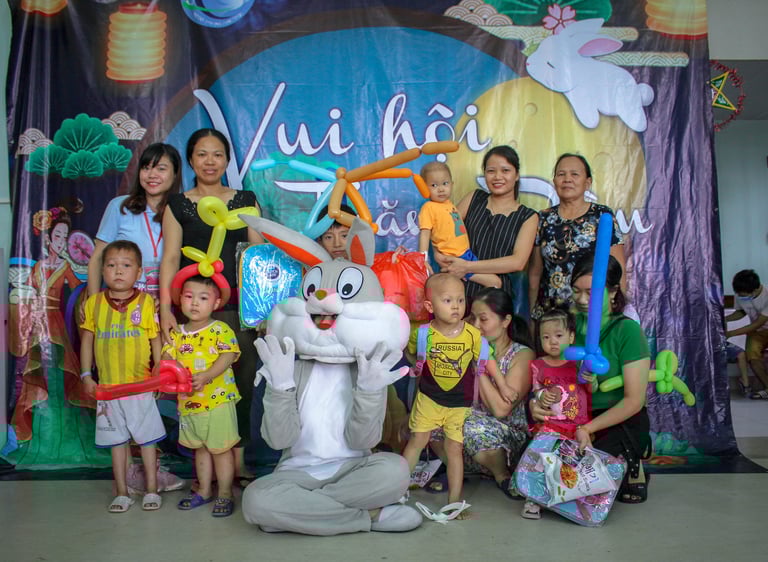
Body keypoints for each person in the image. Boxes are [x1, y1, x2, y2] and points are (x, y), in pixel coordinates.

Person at [159, 128, 261, 484]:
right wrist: (166, 308)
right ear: (190, 160)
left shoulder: (245, 200)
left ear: (227, 160)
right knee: (196, 385)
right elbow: (170, 258)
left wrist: (261, 311)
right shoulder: (178, 206)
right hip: (192, 313)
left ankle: (238, 462)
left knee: (241, 384)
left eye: (217, 154)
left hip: (238, 310)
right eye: (202, 154)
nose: (209, 161)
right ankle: (205, 465)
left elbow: (257, 257)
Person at [530, 253, 651, 504]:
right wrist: (537, 403)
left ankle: (632, 465)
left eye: (591, 293)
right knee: (539, 468)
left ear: (614, 291)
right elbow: (548, 374)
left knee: (583, 476)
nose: (582, 300)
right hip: (569, 415)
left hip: (614, 418)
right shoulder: (566, 326)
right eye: (576, 291)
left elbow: (633, 401)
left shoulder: (628, 330)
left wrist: (588, 429)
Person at [402, 274, 516, 513]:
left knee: (454, 449)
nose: (456, 306)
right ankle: (394, 490)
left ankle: (454, 503)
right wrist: (417, 368)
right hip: (428, 399)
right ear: (430, 306)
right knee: (417, 441)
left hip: (459, 403)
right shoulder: (422, 334)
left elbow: (488, 361)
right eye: (447, 300)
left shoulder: (473, 335)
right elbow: (411, 354)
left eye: (460, 300)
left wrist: (503, 386)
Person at [8, 207, 99, 467]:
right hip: (37, 325)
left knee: (61, 374)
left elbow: (81, 288)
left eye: (65, 237)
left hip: (56, 326)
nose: (61, 241)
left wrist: (87, 305)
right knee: (41, 376)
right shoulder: (37, 266)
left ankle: (65, 431)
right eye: (57, 236)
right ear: (48, 239)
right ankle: (43, 433)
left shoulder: (66, 266)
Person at [80, 241, 165, 513]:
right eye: (111, 265)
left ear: (139, 271)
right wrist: (85, 374)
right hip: (108, 389)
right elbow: (87, 341)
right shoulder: (94, 304)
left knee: (147, 441)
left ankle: (152, 489)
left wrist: (159, 371)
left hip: (140, 386)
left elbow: (155, 339)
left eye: (126, 266)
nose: (118, 271)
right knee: (116, 443)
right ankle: (122, 492)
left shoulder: (146, 302)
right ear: (102, 270)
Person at [429, 287, 534, 499]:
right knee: (429, 421)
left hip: (503, 440)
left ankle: (502, 475)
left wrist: (478, 362)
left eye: (483, 319)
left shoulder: (521, 354)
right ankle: (457, 470)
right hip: (465, 438)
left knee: (469, 425)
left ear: (505, 321)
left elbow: (501, 410)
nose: (476, 326)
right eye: (473, 318)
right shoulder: (462, 347)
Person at [162, 276, 241, 517]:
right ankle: (204, 490)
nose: (195, 303)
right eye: (189, 296)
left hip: (217, 401)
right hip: (189, 404)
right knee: (201, 449)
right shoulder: (176, 333)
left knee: (221, 449)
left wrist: (207, 375)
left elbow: (228, 355)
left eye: (203, 298)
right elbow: (167, 359)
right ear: (180, 300)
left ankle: (225, 493)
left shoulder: (219, 329)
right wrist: (174, 369)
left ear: (216, 303)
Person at [435, 146, 538, 317]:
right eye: (491, 171)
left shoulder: (528, 216)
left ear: (517, 174)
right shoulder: (474, 198)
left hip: (496, 299)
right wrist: (443, 259)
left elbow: (517, 262)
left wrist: (467, 268)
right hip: (457, 292)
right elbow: (444, 232)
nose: (498, 177)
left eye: (505, 170)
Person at [528, 153, 625, 319]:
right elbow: (535, 274)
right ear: (554, 181)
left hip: (592, 313)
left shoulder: (602, 216)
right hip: (552, 316)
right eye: (561, 174)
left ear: (588, 182)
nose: (567, 179)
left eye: (574, 174)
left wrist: (614, 312)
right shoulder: (543, 218)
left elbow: (618, 269)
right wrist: (532, 313)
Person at [522, 307, 596, 520]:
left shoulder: (580, 363)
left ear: (571, 336)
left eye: (559, 335)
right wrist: (540, 397)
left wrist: (592, 381)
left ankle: (575, 501)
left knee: (576, 466)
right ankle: (533, 499)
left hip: (578, 425)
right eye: (546, 337)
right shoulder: (537, 364)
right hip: (549, 426)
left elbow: (591, 391)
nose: (552, 341)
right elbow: (535, 393)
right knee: (540, 462)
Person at [87, 143, 181, 302]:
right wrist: (94, 303)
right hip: (124, 302)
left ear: (175, 174)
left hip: (170, 303)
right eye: (146, 168)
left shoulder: (182, 210)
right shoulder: (120, 206)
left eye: (161, 169)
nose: (152, 174)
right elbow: (97, 258)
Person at [417, 161, 500, 288]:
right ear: (424, 188)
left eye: (445, 183)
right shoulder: (429, 207)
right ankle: (463, 274)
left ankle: (464, 275)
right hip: (452, 256)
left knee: (495, 282)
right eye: (434, 185)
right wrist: (423, 259)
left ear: (452, 184)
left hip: (465, 252)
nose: (440, 189)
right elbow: (425, 233)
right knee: (494, 282)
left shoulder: (450, 205)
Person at [725, 269, 768, 399]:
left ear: (754, 290)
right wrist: (724, 319)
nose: (740, 297)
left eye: (743, 295)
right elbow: (740, 312)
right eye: (739, 294)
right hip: (756, 333)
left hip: (757, 327)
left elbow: (758, 323)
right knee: (752, 356)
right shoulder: (740, 295)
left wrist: (731, 333)